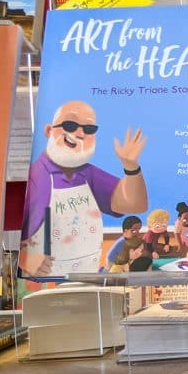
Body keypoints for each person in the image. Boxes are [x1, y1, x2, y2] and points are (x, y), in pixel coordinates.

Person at [19, 101, 148, 277]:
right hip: (42, 285)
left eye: (89, 129)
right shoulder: (33, 178)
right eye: (70, 125)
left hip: (87, 282)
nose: (79, 133)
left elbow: (134, 205)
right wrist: (23, 257)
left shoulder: (88, 174)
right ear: (49, 130)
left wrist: (131, 167)